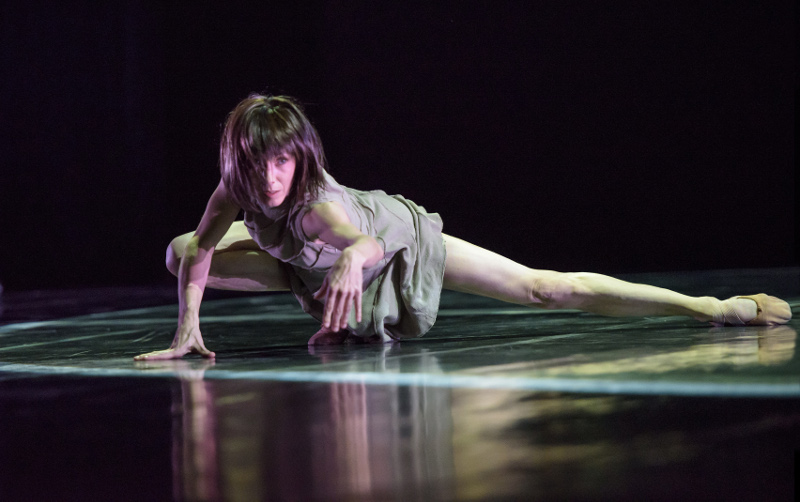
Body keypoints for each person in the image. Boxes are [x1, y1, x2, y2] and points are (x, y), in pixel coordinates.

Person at [134, 94, 792, 361]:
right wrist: (188, 327)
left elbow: (360, 241)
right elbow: (200, 250)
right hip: (315, 259)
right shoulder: (234, 190)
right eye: (260, 162)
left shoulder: (314, 206)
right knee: (180, 249)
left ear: (299, 158)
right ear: (240, 162)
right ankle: (321, 285)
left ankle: (712, 307)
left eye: (283, 160)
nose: (272, 177)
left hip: (393, 240)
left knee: (542, 288)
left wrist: (346, 260)